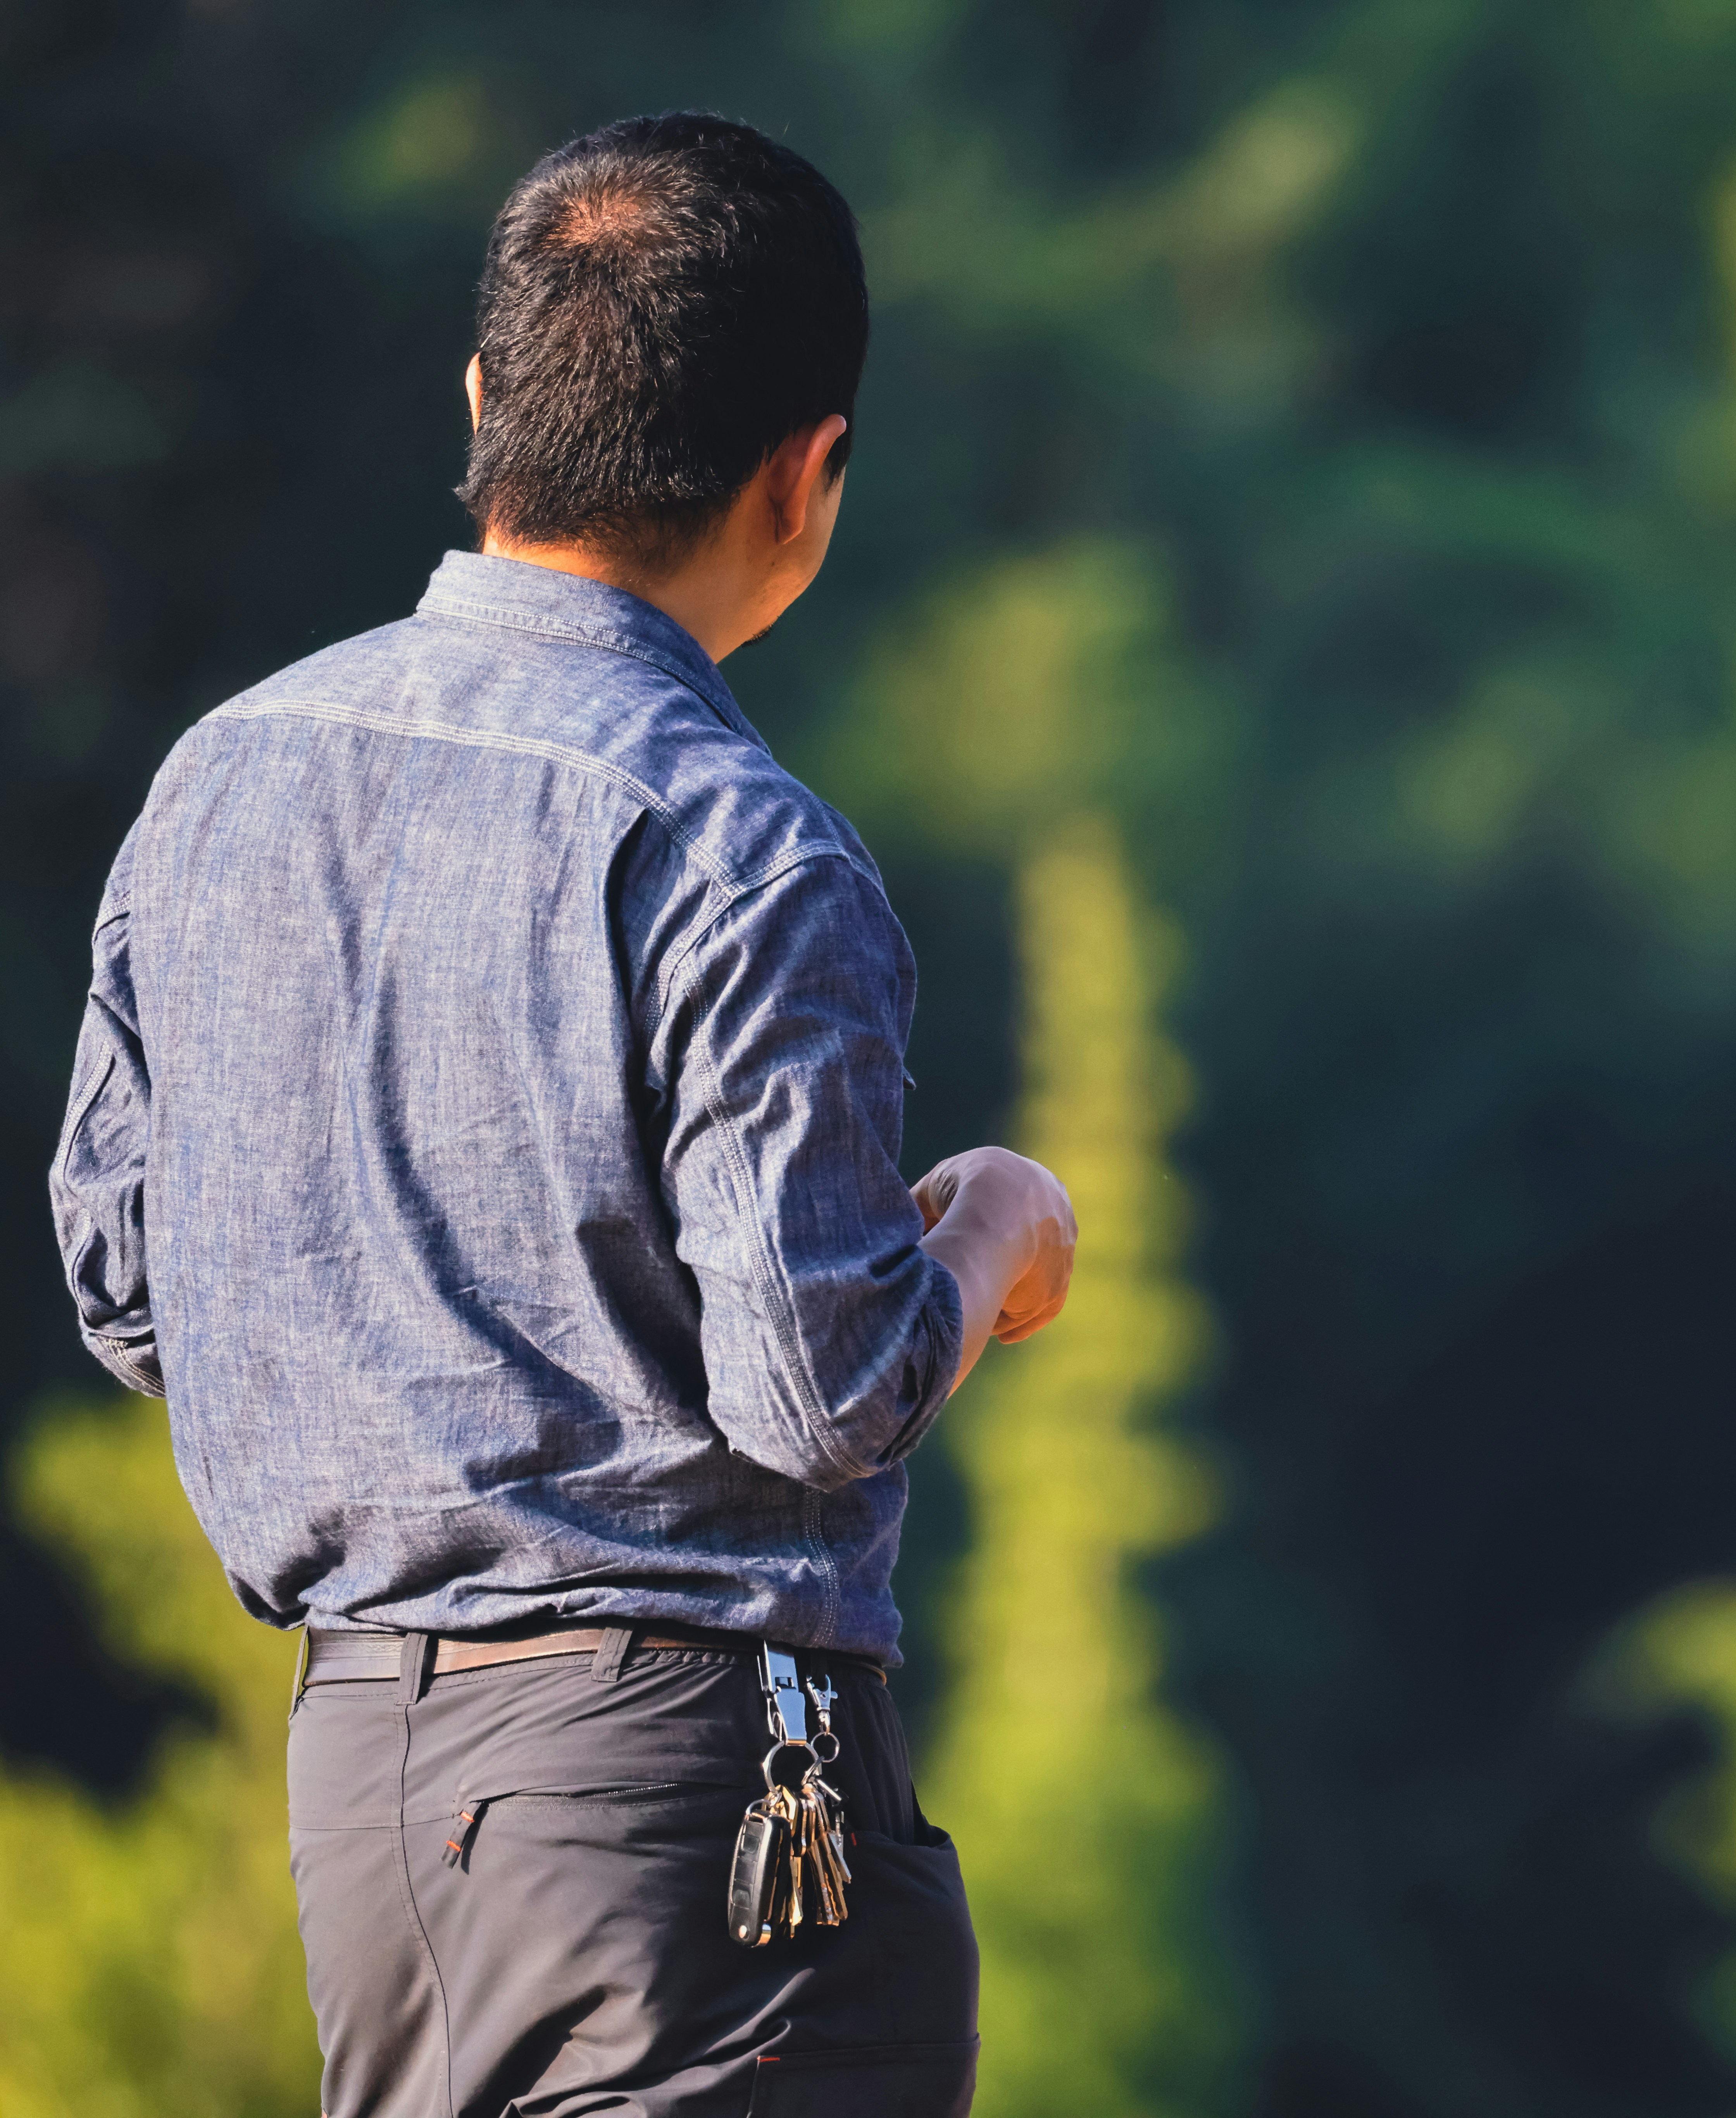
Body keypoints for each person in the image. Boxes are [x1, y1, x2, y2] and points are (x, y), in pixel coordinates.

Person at [47, 113, 1073, 2117]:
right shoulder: (740, 846)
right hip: (697, 1807)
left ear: (483, 399)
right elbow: (815, 1389)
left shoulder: (222, 777)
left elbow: (125, 1282)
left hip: (364, 1797)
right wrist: (993, 1236)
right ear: (813, 475)